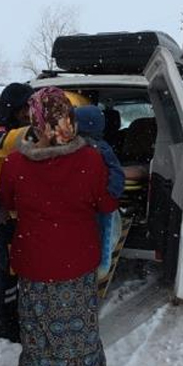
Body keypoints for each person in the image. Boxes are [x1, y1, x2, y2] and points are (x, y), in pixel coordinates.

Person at [0, 87, 118, 366]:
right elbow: (105, 202)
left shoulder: (15, 163)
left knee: (38, 329)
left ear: (34, 119)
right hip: (79, 257)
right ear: (69, 116)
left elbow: (6, 204)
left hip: (35, 260)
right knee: (80, 323)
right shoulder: (91, 158)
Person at [0, 83, 33, 344]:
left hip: (19, 212)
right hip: (3, 214)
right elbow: (7, 143)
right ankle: (8, 323)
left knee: (19, 267)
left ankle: (16, 315)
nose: (29, 112)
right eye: (26, 107)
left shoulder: (16, 128)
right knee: (7, 271)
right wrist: (43, 127)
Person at [74, 105, 126, 281]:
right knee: (101, 234)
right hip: (96, 202)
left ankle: (99, 268)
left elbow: (116, 173)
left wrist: (110, 193)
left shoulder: (99, 148)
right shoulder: (101, 147)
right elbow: (117, 172)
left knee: (102, 233)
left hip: (97, 202)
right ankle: (98, 268)